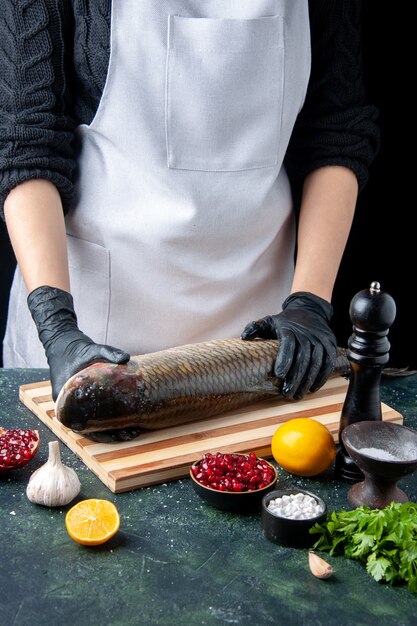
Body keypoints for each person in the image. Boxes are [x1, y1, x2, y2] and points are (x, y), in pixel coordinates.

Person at [0, 1, 379, 406]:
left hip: (262, 342)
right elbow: (27, 144)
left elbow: (335, 130)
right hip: (91, 336)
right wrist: (56, 325)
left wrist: (310, 301)